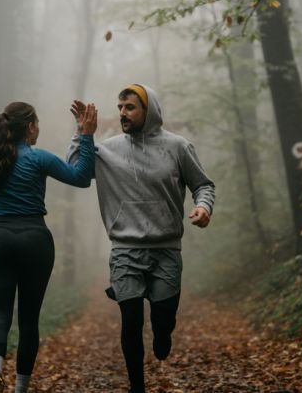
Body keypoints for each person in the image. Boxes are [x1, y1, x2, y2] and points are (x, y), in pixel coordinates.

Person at [68, 84, 215, 393]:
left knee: (162, 322)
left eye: (130, 107)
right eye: (120, 107)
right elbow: (75, 171)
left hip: (166, 250)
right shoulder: (107, 149)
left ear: (149, 111)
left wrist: (203, 207)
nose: (123, 113)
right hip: (125, 249)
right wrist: (83, 133)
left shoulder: (178, 147)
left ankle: (163, 334)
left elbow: (203, 185)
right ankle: (137, 387)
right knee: (131, 321)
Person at [0, 101, 98, 393]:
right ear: (29, 127)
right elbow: (81, 178)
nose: (39, 129)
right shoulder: (39, 159)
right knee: (29, 320)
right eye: (37, 124)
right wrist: (86, 135)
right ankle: (20, 389)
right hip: (35, 240)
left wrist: (0, 224)